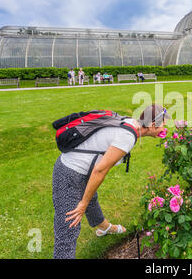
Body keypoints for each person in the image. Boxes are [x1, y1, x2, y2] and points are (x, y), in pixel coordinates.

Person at [51, 104, 170, 259]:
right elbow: (100, 170)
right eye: (163, 124)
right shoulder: (127, 137)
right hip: (68, 174)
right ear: (153, 125)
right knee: (69, 226)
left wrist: (87, 200)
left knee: (91, 198)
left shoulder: (130, 122)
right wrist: (82, 204)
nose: (165, 127)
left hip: (81, 171)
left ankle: (104, 228)